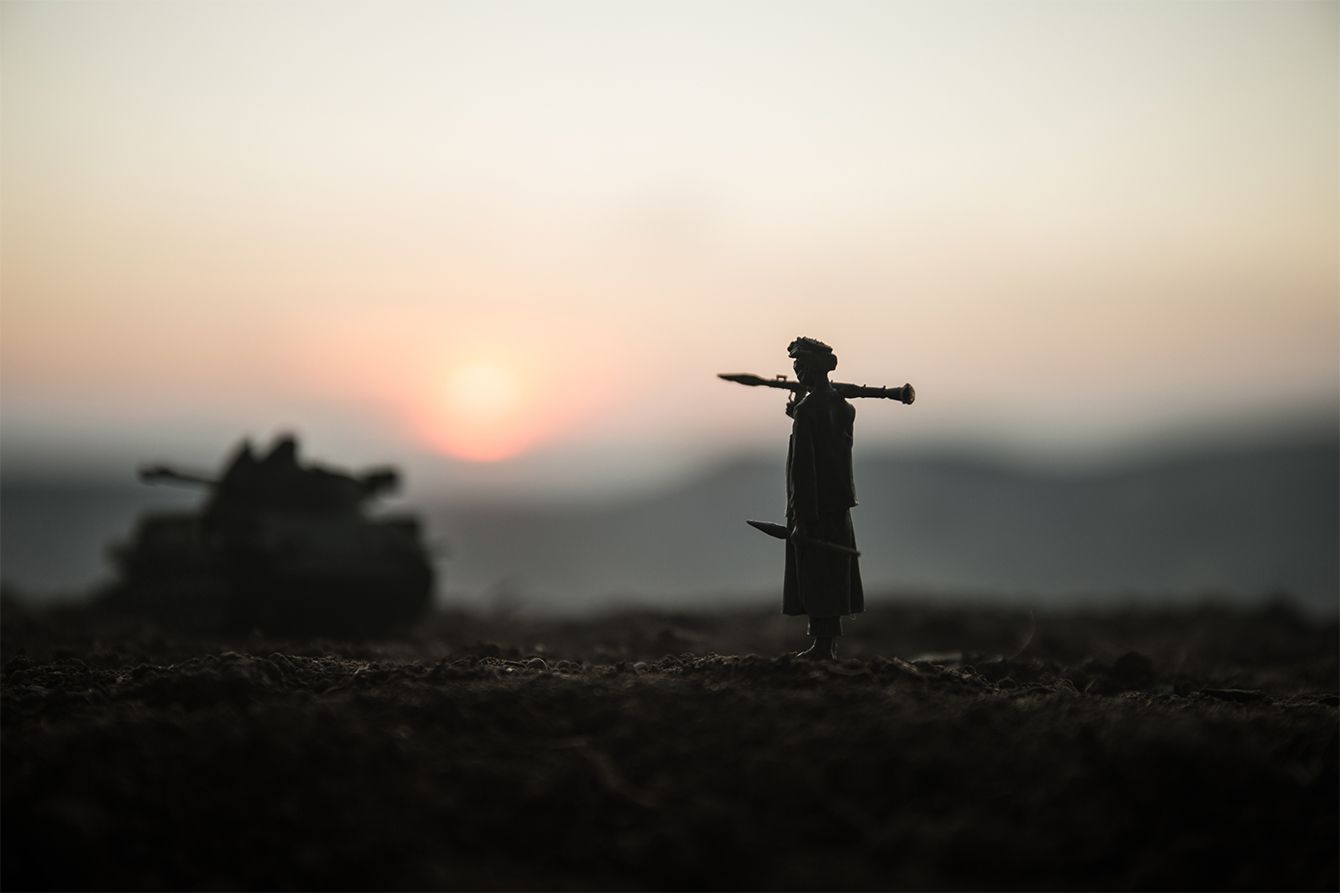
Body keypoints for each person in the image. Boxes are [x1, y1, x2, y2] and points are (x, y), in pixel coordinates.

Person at [782, 337, 864, 659]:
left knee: (816, 573)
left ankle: (822, 645)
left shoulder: (807, 411)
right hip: (838, 503)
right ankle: (826, 643)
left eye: (800, 365)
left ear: (813, 368)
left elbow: (804, 467)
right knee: (834, 571)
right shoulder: (845, 408)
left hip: (812, 506)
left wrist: (801, 518)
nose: (797, 371)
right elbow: (831, 448)